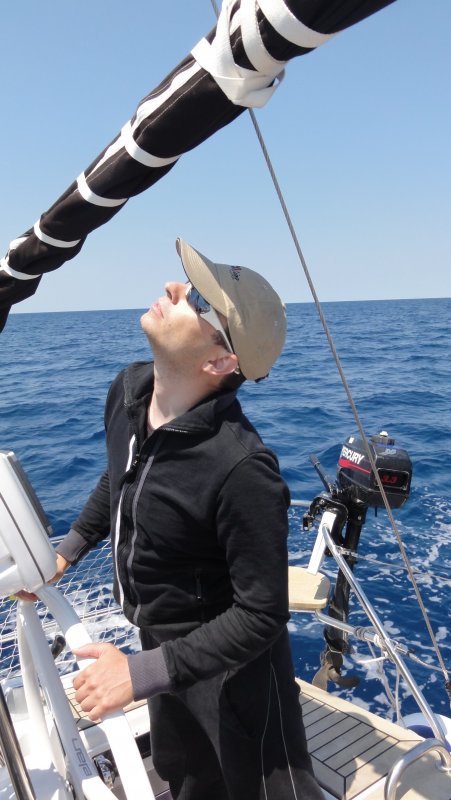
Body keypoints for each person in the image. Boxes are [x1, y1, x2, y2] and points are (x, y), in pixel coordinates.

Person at [53, 238, 324, 800]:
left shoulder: (242, 469)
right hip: (160, 645)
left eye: (199, 300)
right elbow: (121, 474)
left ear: (220, 361)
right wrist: (66, 549)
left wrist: (139, 673)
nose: (174, 288)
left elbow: (261, 615)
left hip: (233, 675)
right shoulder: (128, 391)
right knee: (183, 775)